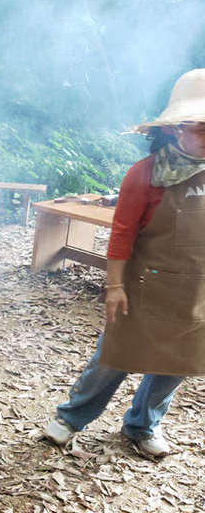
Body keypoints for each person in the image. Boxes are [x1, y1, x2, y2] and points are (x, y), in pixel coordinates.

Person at [44, 69, 205, 458]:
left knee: (176, 363)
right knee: (113, 356)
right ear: (175, 129)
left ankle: (143, 425)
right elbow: (121, 236)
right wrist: (114, 286)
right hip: (144, 288)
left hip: (196, 293)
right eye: (202, 128)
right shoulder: (144, 175)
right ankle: (70, 418)